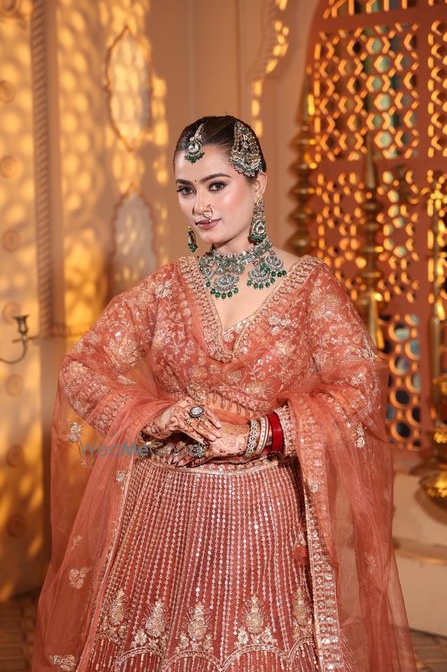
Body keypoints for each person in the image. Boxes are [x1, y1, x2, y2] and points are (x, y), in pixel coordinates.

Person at [32, 115, 416, 671]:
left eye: (216, 185)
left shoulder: (310, 288)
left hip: (261, 518)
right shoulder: (165, 288)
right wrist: (157, 415)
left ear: (258, 184)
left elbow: (358, 389)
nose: (201, 206)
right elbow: (81, 367)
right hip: (161, 515)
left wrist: (257, 434)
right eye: (186, 190)